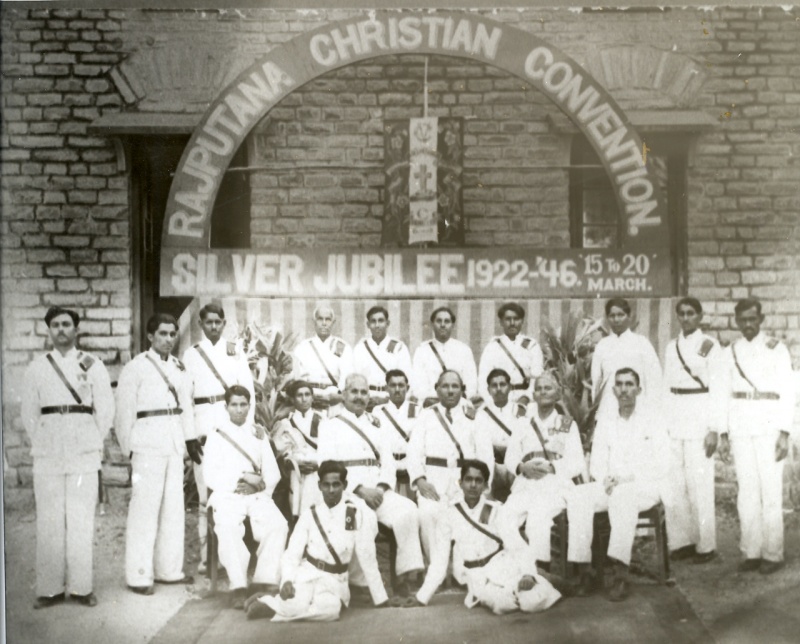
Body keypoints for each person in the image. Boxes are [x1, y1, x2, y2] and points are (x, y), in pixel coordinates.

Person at [20, 306, 114, 609]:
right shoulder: (37, 367)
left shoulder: (92, 364)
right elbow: (29, 412)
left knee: (80, 518)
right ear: (49, 330)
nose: (61, 329)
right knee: (49, 520)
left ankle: (81, 588)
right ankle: (49, 589)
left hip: (83, 449)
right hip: (48, 450)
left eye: (66, 324)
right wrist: (42, 438)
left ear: (76, 329)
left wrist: (92, 439)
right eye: (55, 325)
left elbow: (106, 409)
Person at [317, 373, 424, 595]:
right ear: (343, 395)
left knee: (408, 510)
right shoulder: (329, 425)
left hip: (378, 490)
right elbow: (327, 466)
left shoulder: (377, 424)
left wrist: (381, 489)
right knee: (361, 520)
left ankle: (403, 576)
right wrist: (359, 490)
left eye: (364, 392)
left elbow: (388, 463)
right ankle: (360, 583)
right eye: (354, 391)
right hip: (347, 493)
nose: (359, 396)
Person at [245, 461, 390, 621]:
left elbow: (366, 555)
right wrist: (287, 580)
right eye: (326, 485)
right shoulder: (311, 514)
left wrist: (380, 598)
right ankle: (272, 603)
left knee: (330, 611)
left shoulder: (351, 514)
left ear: (345, 485)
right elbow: (292, 553)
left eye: (336, 484)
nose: (331, 490)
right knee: (296, 603)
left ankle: (274, 605)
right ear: (319, 486)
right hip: (308, 573)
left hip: (334, 580)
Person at [115, 313, 197, 595]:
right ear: (150, 336)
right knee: (144, 511)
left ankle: (169, 570)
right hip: (147, 444)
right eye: (163, 333)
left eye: (173, 334)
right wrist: (129, 448)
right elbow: (124, 413)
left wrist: (189, 439)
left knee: (173, 510)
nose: (169, 339)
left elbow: (185, 406)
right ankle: (139, 575)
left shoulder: (179, 367)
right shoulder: (136, 367)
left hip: (173, 444)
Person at [714, 298, 796, 574]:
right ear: (736, 321)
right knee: (747, 491)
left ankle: (772, 553)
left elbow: (788, 393)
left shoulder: (776, 349)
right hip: (741, 426)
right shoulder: (730, 352)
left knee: (770, 491)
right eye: (743, 320)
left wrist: (784, 433)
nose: (748, 324)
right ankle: (751, 551)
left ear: (761, 319)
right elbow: (722, 393)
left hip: (769, 426)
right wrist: (723, 433)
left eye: (752, 319)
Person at [415, 460, 561, 614]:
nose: (473, 485)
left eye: (478, 481)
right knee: (502, 604)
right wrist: (421, 597)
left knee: (533, 601)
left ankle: (539, 582)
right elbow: (440, 560)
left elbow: (517, 545)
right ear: (460, 483)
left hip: (504, 566)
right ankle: (529, 587)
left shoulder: (497, 510)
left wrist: (527, 574)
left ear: (485, 486)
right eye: (468, 479)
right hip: (477, 576)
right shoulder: (449, 514)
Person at [584, 368, 670, 601]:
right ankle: (585, 570)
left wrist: (626, 479)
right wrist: (605, 478)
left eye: (629, 384)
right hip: (611, 485)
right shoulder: (606, 421)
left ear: (639, 390)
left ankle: (620, 572)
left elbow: (662, 462)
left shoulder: (653, 420)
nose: (624, 390)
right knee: (580, 497)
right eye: (620, 384)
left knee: (623, 497)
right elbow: (597, 461)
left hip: (645, 487)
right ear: (613, 390)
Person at [502, 373, 592, 594]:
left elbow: (577, 463)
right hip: (526, 483)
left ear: (558, 394)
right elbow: (510, 458)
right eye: (539, 388)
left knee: (538, 516)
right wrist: (522, 467)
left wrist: (552, 467)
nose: (543, 392)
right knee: (503, 518)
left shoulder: (565, 424)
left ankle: (540, 570)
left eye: (548, 388)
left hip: (554, 484)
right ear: (533, 394)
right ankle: (530, 567)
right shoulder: (523, 423)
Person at [182, 303, 255, 574]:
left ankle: (231, 558)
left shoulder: (235, 351)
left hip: (230, 423)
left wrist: (247, 428)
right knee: (205, 495)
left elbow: (247, 392)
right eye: (208, 322)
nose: (213, 326)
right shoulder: (191, 354)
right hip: (202, 424)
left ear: (224, 324)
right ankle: (207, 558)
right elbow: (185, 398)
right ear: (200, 324)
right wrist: (189, 436)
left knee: (232, 492)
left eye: (218, 322)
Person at [203, 385, 288, 608]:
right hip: (228, 494)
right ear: (226, 407)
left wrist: (258, 487)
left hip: (256, 495)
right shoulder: (216, 435)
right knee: (228, 527)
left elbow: (272, 472)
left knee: (278, 525)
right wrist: (242, 477)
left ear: (249, 406)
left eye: (243, 405)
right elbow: (210, 475)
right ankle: (238, 586)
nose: (239, 410)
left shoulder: (257, 434)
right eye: (234, 405)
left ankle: (264, 581)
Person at [407, 370, 494, 563]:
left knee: (469, 516)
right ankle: (435, 567)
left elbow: (486, 455)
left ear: (462, 390)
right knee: (428, 513)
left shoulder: (475, 417)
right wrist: (420, 480)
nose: (450, 391)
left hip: (465, 482)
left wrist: (483, 486)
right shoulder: (426, 415)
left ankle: (464, 565)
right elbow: (413, 452)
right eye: (445, 386)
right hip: (433, 481)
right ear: (437, 389)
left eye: (455, 386)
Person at [662, 297, 721, 564]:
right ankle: (681, 541)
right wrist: (663, 423)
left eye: (690, 313)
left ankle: (705, 545)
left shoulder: (709, 345)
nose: (686, 318)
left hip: (699, 415)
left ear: (699, 316)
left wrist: (714, 429)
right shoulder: (671, 347)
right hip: (674, 416)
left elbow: (717, 388)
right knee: (675, 483)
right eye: (682, 314)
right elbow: (666, 386)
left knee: (699, 483)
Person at [591, 298, 662, 420]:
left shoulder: (642, 343)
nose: (616, 319)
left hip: (637, 409)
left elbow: (654, 380)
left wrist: (652, 412)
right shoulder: (602, 345)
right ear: (607, 318)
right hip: (608, 409)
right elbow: (596, 382)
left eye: (620, 315)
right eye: (612, 316)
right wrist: (596, 412)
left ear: (629, 317)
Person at [272, 380, 324, 519]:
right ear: (292, 399)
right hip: (296, 473)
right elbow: (280, 452)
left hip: (320, 468)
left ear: (312, 397)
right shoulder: (286, 423)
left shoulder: (324, 420)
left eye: (307, 394)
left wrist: (318, 462)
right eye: (299, 395)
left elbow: (332, 448)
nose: (304, 399)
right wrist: (293, 462)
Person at [474, 368, 527, 502]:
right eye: (494, 385)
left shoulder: (521, 411)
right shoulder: (482, 414)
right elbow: (483, 450)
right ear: (488, 390)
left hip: (516, 463)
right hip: (493, 464)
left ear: (509, 387)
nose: (498, 389)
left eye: (502, 384)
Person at [477, 302, 543, 405]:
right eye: (508, 319)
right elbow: (483, 380)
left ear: (522, 321)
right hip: (498, 399)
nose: (512, 323)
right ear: (501, 322)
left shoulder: (532, 346)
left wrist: (527, 398)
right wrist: (491, 402)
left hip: (527, 401)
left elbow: (537, 378)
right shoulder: (492, 347)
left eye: (516, 319)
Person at [412, 306, 478, 406]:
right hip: (431, 405)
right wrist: (441, 400)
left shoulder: (464, 350)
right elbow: (418, 386)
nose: (443, 325)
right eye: (439, 321)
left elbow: (471, 384)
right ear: (432, 324)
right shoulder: (422, 350)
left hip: (459, 404)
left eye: (447, 321)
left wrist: (456, 399)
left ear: (453, 325)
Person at [292, 303, 352, 411]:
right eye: (320, 319)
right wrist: (310, 395)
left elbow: (347, 377)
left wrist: (337, 395)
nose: (324, 323)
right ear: (314, 321)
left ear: (333, 322)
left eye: (328, 319)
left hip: (334, 400)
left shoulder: (343, 347)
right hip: (309, 400)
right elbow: (297, 378)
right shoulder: (302, 348)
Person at [371, 369, 420, 499]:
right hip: (387, 471)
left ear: (407, 387)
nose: (397, 389)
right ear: (386, 388)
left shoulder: (417, 410)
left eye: (401, 385)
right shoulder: (378, 412)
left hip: (410, 472)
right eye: (393, 385)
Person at [352, 306, 413, 408]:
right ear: (368, 325)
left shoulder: (399, 348)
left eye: (381, 321)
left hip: (392, 400)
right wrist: (365, 399)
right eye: (373, 321)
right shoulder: (360, 348)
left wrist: (387, 400)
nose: (377, 325)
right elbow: (355, 379)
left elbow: (407, 379)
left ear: (387, 323)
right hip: (366, 401)